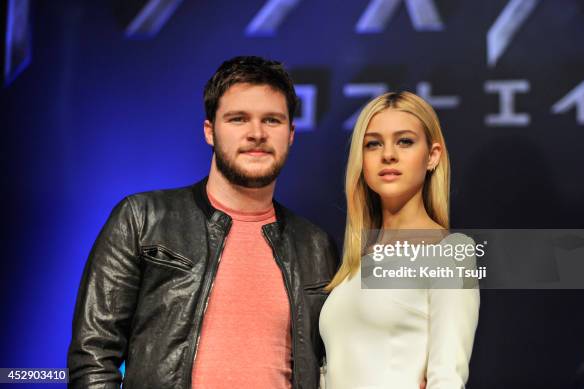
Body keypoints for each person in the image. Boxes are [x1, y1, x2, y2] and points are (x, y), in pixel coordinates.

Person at [67, 56, 339, 389]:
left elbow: (335, 363)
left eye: (272, 120)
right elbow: (94, 357)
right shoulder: (142, 219)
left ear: (291, 134)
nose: (257, 133)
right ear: (210, 131)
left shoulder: (315, 245)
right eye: (238, 119)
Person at [319, 91, 480, 388]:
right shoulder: (355, 263)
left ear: (432, 156)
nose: (388, 154)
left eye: (404, 141)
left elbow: (447, 378)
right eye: (373, 144)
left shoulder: (449, 253)